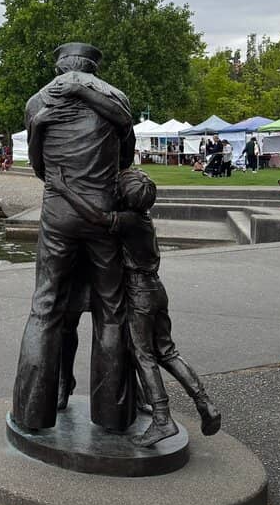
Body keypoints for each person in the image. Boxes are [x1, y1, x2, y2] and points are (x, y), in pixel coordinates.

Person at [47, 166, 221, 447]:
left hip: (139, 294)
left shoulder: (127, 221)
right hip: (156, 289)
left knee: (144, 356)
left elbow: (97, 217)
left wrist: (64, 189)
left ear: (124, 198)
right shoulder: (143, 220)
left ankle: (162, 419)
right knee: (167, 351)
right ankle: (204, 402)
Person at [12, 42, 136, 433]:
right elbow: (126, 160)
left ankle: (31, 412)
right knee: (112, 310)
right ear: (93, 68)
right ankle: (114, 414)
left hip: (59, 212)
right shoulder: (116, 98)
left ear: (60, 66)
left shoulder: (37, 102)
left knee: (45, 306)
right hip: (103, 211)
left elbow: (39, 166)